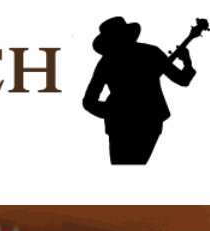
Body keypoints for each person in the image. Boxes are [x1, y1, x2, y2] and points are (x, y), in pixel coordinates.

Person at [83, 16, 195, 164]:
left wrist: (113, 110)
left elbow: (88, 102)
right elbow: (183, 79)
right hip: (149, 120)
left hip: (122, 125)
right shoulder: (151, 52)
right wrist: (187, 61)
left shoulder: (106, 61)